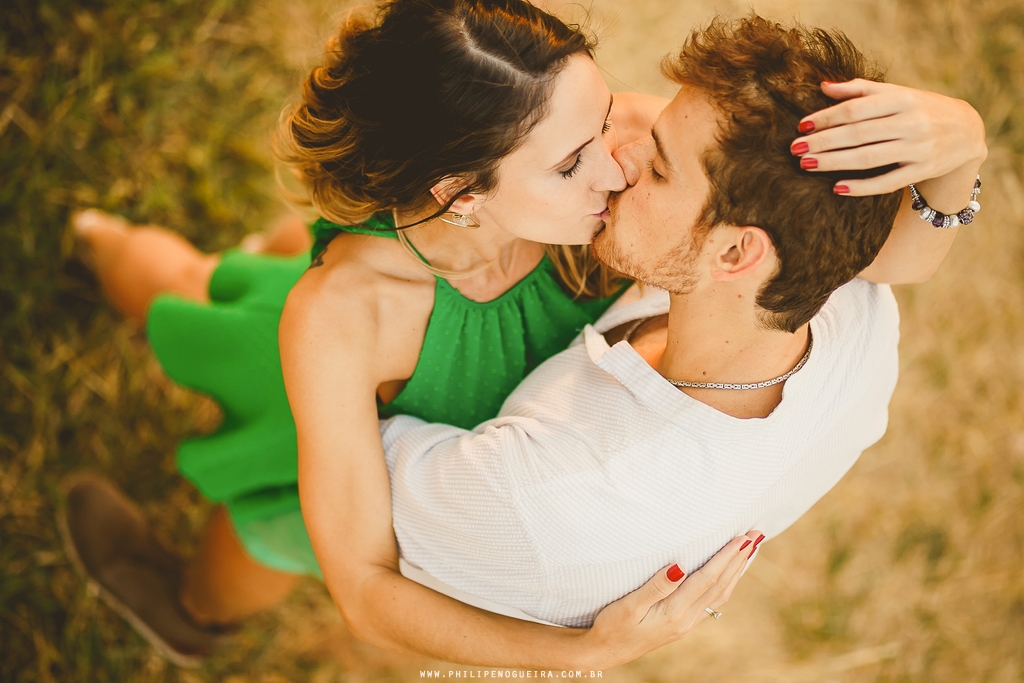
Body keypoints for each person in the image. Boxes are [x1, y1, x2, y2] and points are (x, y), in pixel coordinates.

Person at [61, 0, 984, 669]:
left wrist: (961, 143)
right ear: (464, 195)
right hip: (348, 420)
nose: (623, 155)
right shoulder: (343, 316)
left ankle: (187, 614)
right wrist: (573, 653)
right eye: (576, 158)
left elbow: (834, 253)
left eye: (607, 120)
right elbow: (360, 580)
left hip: (448, 454)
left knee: (259, 505)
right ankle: (96, 244)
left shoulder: (620, 170)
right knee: (255, 463)